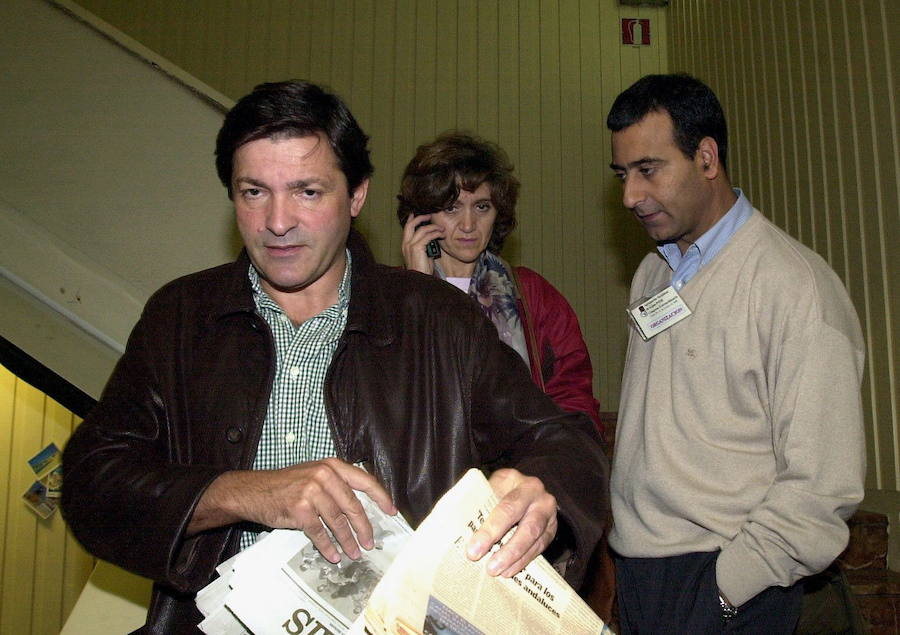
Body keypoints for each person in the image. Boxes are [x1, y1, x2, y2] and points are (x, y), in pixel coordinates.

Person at [60, 80, 609, 634]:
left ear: (356, 196)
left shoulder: (438, 321)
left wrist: (543, 494)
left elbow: (565, 441)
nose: (277, 222)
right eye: (254, 192)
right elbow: (92, 484)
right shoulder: (179, 318)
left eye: (307, 192)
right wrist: (244, 492)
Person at [606, 73, 865, 633]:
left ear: (706, 158)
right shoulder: (652, 273)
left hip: (734, 583)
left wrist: (726, 594)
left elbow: (823, 487)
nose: (630, 196)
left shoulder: (794, 287)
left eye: (648, 170)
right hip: (641, 577)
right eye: (623, 175)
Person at [397, 132, 602, 433]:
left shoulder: (532, 294)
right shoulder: (390, 296)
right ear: (422, 216)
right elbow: (389, 395)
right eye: (452, 208)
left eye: (482, 207)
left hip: (523, 470)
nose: (468, 225)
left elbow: (573, 397)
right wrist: (417, 289)